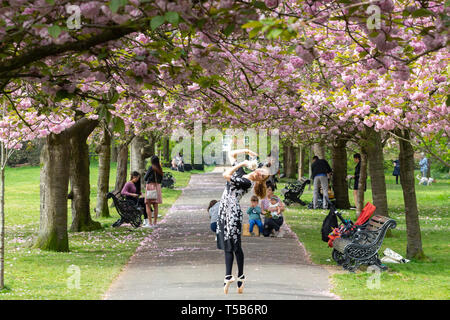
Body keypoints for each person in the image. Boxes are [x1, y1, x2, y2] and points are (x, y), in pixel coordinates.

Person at [217, 148, 270, 294]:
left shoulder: (246, 182)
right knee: (228, 242)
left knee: (235, 245)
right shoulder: (242, 174)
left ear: (260, 180)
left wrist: (241, 164)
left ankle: (236, 275)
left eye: (262, 175)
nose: (260, 173)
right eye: (261, 171)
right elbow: (231, 154)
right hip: (224, 210)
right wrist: (247, 151)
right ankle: (232, 276)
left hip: (232, 212)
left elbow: (225, 174)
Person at [144, 155, 163, 226]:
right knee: (156, 205)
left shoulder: (151, 168)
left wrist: (146, 173)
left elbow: (145, 178)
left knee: (148, 204)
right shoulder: (160, 168)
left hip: (150, 186)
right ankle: (155, 222)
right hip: (157, 187)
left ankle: (150, 223)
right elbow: (161, 180)